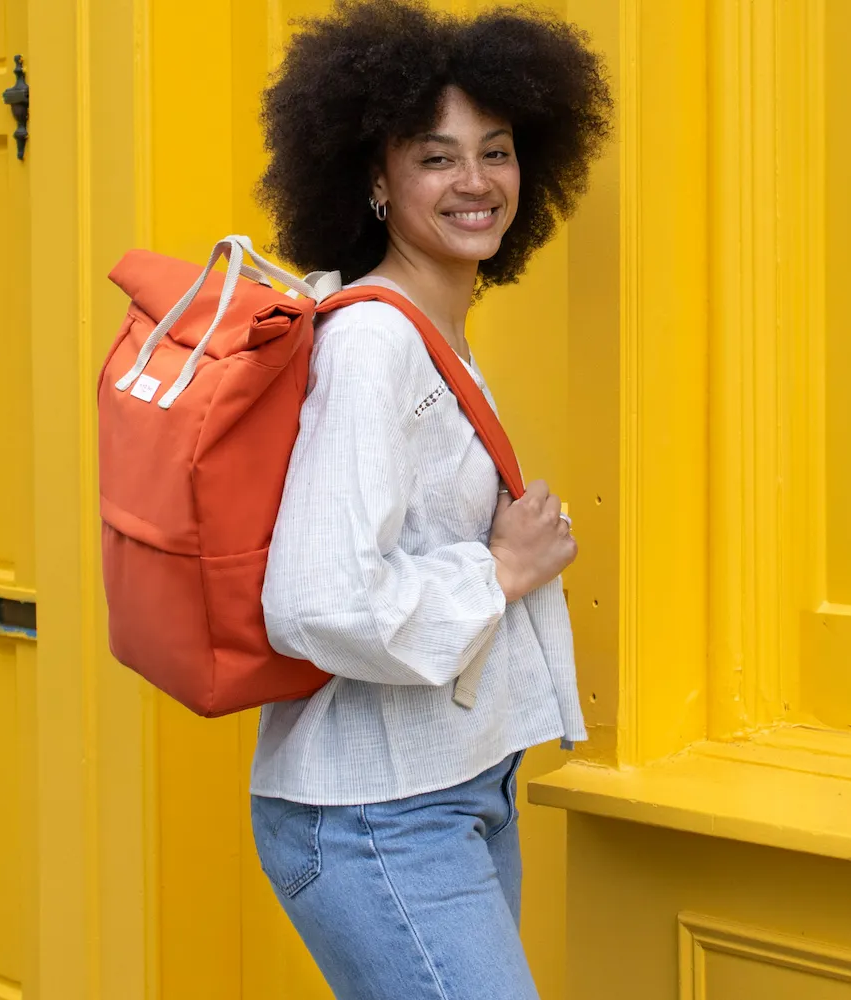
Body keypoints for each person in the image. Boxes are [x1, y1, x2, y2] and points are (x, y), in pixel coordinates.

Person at [250, 2, 612, 996]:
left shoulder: (431, 334)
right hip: (378, 813)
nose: (475, 182)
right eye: (435, 157)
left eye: (494, 152)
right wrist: (500, 566)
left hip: (451, 790)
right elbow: (318, 597)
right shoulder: (374, 346)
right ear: (374, 178)